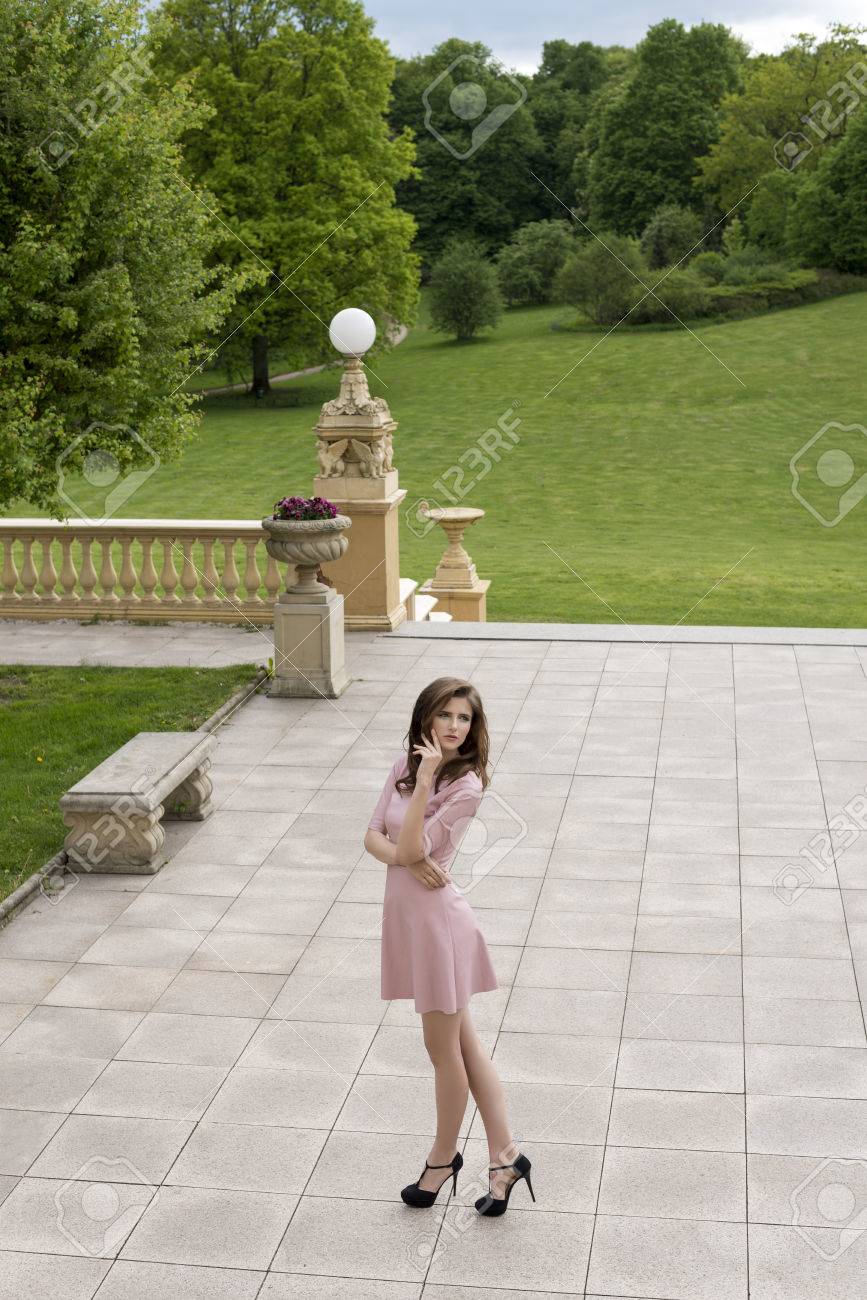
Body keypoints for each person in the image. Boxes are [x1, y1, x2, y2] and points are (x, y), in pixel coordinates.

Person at [363, 676, 535, 1216]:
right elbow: (371, 835)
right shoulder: (403, 764)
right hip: (412, 919)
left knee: (443, 1052)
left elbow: (409, 842)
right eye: (447, 716)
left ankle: (442, 1160)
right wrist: (404, 855)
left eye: (465, 719)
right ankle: (506, 1155)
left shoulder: (466, 787)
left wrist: (430, 781)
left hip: (440, 927)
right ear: (426, 719)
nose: (456, 727)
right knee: (464, 1047)